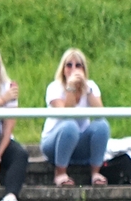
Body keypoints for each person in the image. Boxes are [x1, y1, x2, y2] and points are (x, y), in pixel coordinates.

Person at [41, 48, 111, 187]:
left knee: (102, 125)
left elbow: (100, 113)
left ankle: (96, 173)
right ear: (63, 69)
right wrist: (71, 88)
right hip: (54, 144)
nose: (73, 69)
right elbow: (66, 114)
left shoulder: (91, 86)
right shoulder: (54, 87)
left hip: (80, 143)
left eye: (78, 65)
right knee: (70, 125)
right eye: (69, 65)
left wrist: (87, 90)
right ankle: (60, 173)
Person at [0, 45, 29, 201]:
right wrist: (2, 100)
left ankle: (10, 197)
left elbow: (8, 127)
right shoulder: (6, 94)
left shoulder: (7, 88)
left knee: (20, 154)